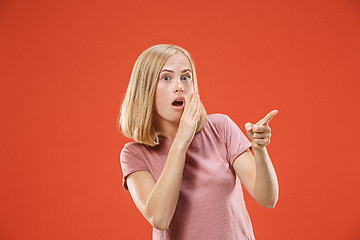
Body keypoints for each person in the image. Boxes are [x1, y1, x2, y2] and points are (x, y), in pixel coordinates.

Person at [118, 44, 279, 240]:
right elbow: (159, 217)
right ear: (146, 89)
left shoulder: (221, 127)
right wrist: (181, 143)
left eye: (186, 77)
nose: (180, 86)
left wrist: (260, 149)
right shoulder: (134, 154)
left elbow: (268, 198)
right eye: (166, 78)